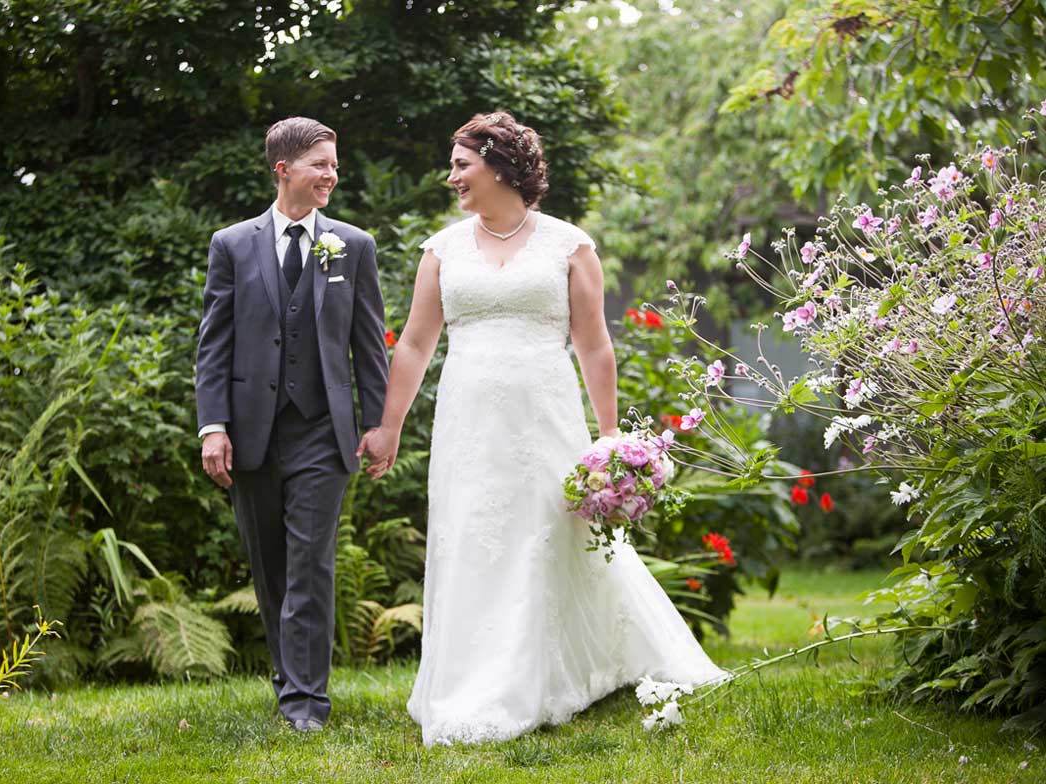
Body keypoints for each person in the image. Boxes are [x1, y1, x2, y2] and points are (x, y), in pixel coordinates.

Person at [358, 112, 726, 746]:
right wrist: (389, 426)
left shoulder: (567, 244)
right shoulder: (442, 250)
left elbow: (595, 346)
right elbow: (415, 345)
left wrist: (610, 440)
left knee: (546, 536)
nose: (452, 177)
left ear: (499, 165)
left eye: (462, 165)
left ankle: (561, 672)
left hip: (545, 417)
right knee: (474, 536)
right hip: (468, 420)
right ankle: (473, 680)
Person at [195, 117, 388, 732]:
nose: (332, 174)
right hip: (251, 430)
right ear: (284, 169)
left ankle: (306, 702)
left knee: (311, 562)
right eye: (321, 164)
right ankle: (290, 681)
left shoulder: (353, 246)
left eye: (334, 164)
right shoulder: (231, 244)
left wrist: (379, 423)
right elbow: (213, 346)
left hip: (323, 432)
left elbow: (369, 346)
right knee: (270, 566)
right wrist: (212, 425)